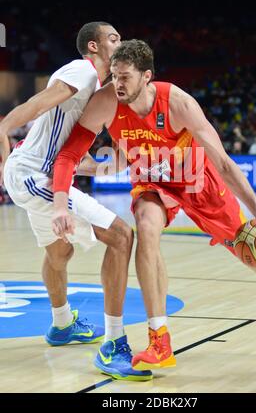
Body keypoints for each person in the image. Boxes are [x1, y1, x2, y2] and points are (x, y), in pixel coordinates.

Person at [52, 39, 256, 374]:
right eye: (113, 75)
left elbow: (224, 164)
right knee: (146, 228)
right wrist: (76, 166)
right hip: (153, 182)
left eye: (125, 77)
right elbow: (110, 159)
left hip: (198, 182)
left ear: (147, 77)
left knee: (253, 251)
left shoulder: (178, 103)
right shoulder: (106, 102)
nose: (117, 83)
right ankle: (160, 339)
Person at [0, 26, 152, 381]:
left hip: (39, 173)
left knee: (59, 254)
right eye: (113, 37)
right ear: (95, 46)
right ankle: (114, 342)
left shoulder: (99, 91)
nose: (120, 40)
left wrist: (112, 164)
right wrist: (3, 132)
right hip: (34, 175)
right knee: (120, 236)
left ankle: (62, 324)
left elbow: (72, 156)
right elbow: (32, 106)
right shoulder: (81, 70)